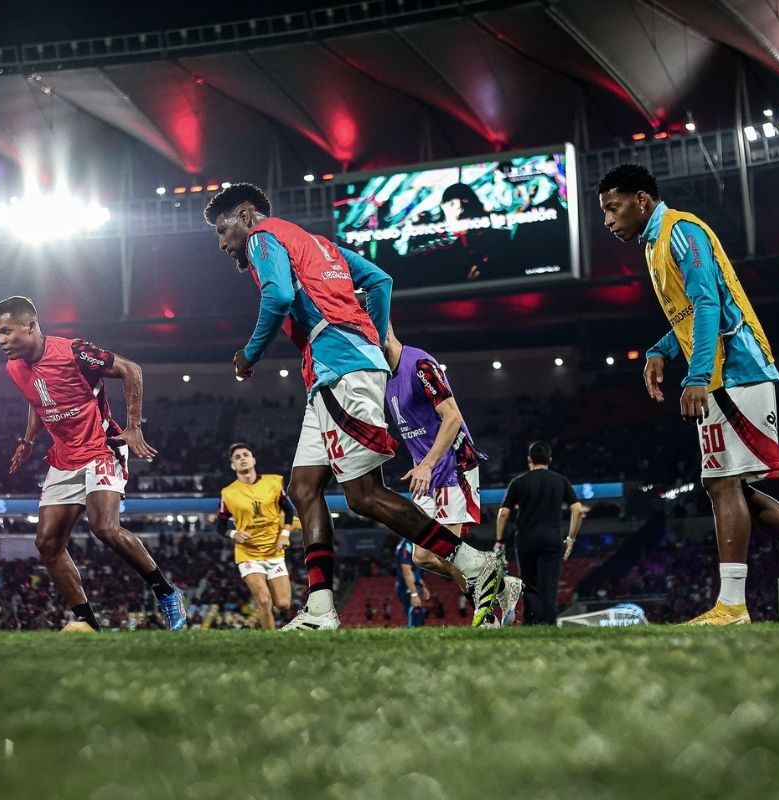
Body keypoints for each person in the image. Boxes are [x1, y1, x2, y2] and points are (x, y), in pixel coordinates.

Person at [204, 182, 507, 631]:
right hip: (329, 376)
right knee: (303, 488)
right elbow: (381, 279)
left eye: (224, 231)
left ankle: (476, 564)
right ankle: (322, 610)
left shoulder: (263, 237)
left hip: (340, 370)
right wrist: (376, 338)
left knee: (364, 497)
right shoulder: (319, 244)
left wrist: (249, 355)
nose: (224, 243)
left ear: (245, 217)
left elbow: (279, 297)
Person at [597, 162, 779, 624]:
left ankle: (733, 606)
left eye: (613, 208)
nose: (608, 220)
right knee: (733, 486)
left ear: (641, 200)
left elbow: (708, 303)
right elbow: (686, 313)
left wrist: (696, 376)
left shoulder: (681, 231)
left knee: (722, 484)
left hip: (735, 369)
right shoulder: (654, 244)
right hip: (723, 373)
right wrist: (660, 349)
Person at [0, 296, 186, 632]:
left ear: (31, 326)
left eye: (7, 331)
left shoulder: (73, 352)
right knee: (47, 544)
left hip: (102, 446)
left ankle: (167, 594)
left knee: (104, 527)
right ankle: (87, 624)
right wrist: (27, 440)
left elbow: (131, 369)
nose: (1, 340)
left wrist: (134, 426)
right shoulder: (14, 368)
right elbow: (38, 401)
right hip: (64, 456)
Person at [382, 323, 522, 626]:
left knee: (449, 552)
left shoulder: (420, 364)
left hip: (452, 466)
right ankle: (501, 584)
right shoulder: (385, 378)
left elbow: (453, 417)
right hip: (428, 475)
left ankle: (486, 618)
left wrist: (427, 464)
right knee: (421, 557)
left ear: (384, 329)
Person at [495, 441, 584, 626]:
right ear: (549, 460)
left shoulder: (518, 482)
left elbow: (503, 513)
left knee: (529, 584)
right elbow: (577, 510)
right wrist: (571, 539)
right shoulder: (561, 481)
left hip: (526, 539)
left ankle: (531, 623)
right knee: (549, 586)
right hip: (552, 539)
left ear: (529, 460)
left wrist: (499, 540)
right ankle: (550, 625)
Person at [215, 442, 295, 630]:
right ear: (233, 466)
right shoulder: (228, 493)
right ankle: (271, 641)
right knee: (265, 601)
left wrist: (285, 534)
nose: (242, 458)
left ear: (253, 460)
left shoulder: (274, 482)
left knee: (283, 604)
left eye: (245, 455)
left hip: (274, 551)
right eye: (237, 457)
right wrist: (233, 533)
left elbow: (289, 511)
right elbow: (220, 526)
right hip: (248, 554)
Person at [394, 539, 428, 628]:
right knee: (415, 612)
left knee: (420, 617)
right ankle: (409, 635)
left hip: (414, 585)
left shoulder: (414, 544)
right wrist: (414, 594)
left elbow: (414, 572)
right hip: (407, 586)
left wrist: (423, 587)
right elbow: (407, 572)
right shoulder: (405, 546)